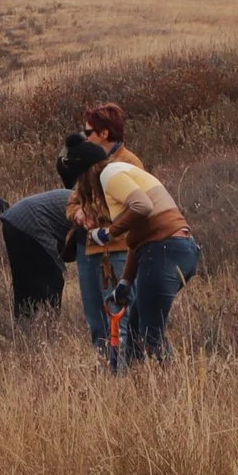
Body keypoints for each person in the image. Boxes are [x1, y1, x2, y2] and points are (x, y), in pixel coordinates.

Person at [92, 160, 199, 365]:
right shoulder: (133, 177)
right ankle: (138, 388)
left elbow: (143, 207)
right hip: (181, 250)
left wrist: (108, 233)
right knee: (135, 330)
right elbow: (138, 239)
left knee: (151, 337)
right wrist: (125, 283)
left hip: (163, 252)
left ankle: (174, 389)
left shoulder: (109, 175)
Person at [71, 105, 144, 366]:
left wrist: (105, 223)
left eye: (88, 131)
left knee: (119, 320)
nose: (84, 136)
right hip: (88, 252)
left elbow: (138, 209)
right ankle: (107, 377)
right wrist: (79, 214)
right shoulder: (87, 164)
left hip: (119, 253)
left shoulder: (129, 163)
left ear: (104, 132)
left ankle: (121, 378)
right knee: (95, 322)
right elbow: (71, 203)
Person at [0, 189, 72, 320]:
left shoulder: (80, 197)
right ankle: (50, 326)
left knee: (23, 280)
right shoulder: (90, 208)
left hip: (13, 219)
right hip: (31, 222)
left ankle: (23, 327)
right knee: (54, 280)